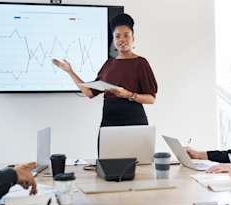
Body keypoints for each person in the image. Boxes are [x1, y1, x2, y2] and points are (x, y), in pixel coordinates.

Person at [52, 14, 158, 154]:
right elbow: (90, 93)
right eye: (118, 36)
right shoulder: (109, 64)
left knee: (139, 168)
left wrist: (129, 95)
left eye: (126, 35)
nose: (122, 40)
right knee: (108, 166)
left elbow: (151, 99)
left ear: (133, 38)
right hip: (109, 121)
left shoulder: (141, 63)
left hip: (134, 120)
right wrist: (70, 71)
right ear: (113, 40)